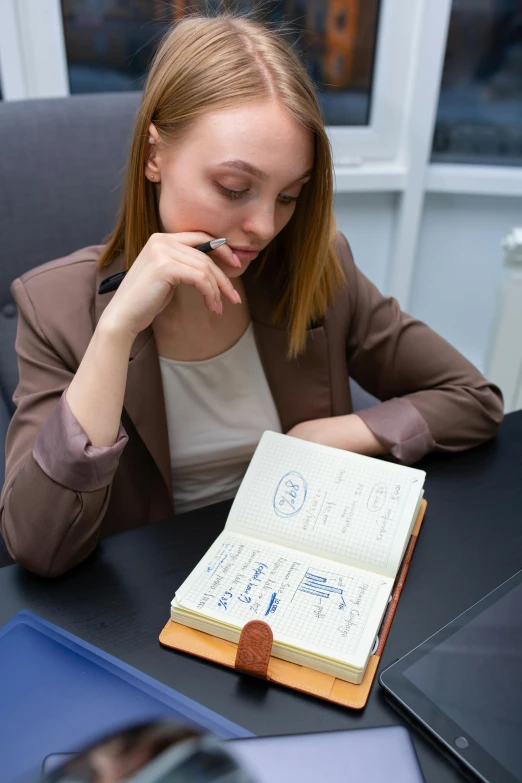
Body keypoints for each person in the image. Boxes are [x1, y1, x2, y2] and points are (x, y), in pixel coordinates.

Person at [0, 14, 503, 578]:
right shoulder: (53, 307)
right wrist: (115, 333)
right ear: (154, 156)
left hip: (295, 575)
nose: (264, 227)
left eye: (289, 196)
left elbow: (473, 399)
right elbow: (38, 546)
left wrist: (328, 437)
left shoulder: (315, 268)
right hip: (146, 609)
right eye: (234, 189)